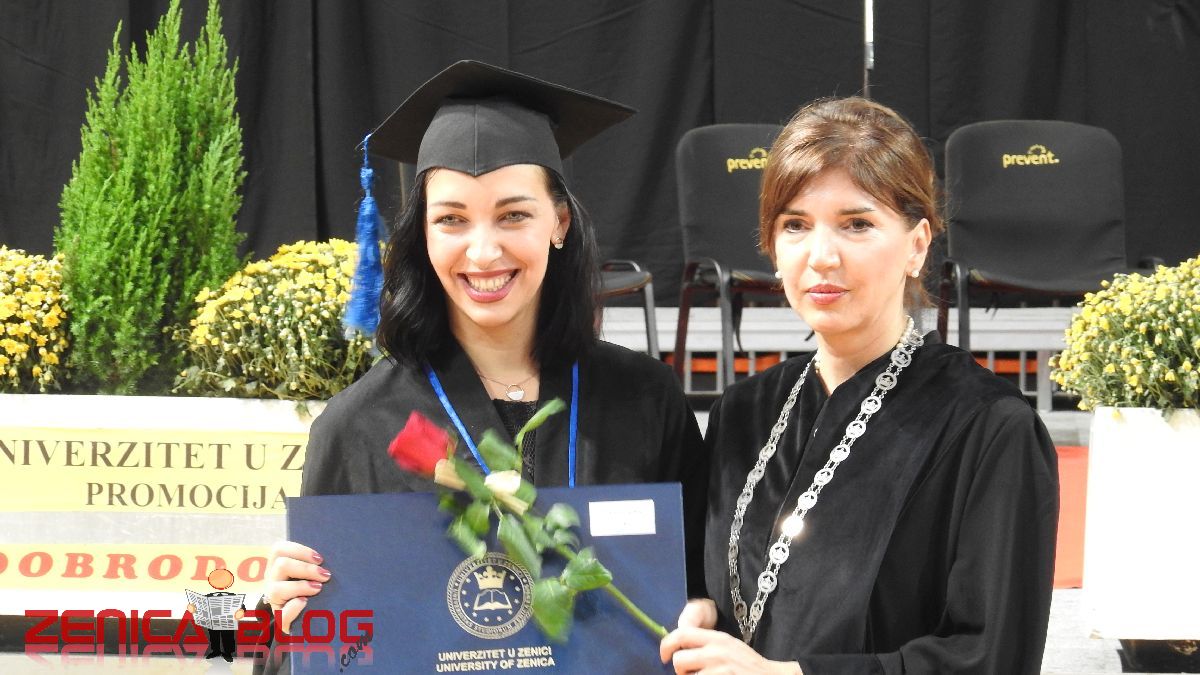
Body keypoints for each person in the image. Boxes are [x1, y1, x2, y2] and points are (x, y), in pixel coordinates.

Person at [263, 61, 707, 648]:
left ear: (560, 222)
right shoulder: (359, 426)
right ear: (423, 233)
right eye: (451, 220)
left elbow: (702, 584)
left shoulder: (645, 399)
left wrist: (705, 609)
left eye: (513, 215)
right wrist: (285, 616)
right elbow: (326, 644)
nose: (482, 252)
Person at [659, 97, 1059, 674]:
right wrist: (700, 607)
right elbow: (722, 585)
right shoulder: (742, 413)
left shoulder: (987, 429)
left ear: (917, 245)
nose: (822, 256)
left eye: (857, 224)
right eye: (795, 225)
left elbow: (990, 655)